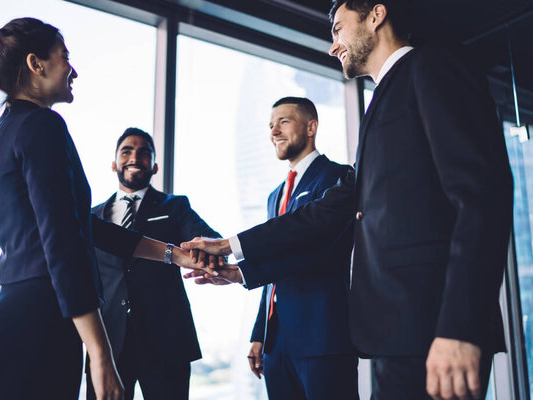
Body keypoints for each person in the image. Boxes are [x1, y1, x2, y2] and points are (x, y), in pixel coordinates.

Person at [182, 1, 513, 399]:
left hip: (436, 327)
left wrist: (460, 327)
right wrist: (230, 246)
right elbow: (321, 215)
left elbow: (482, 198)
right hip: (396, 333)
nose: (332, 46)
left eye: (338, 29)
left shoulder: (432, 68)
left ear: (376, 16)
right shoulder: (381, 103)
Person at [0, 17, 212, 400]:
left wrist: (174, 255)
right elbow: (63, 243)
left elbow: (88, 229)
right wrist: (101, 354)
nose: (73, 70)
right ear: (36, 65)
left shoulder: (8, 130)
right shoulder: (43, 126)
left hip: (12, 321)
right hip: (38, 328)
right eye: (64, 58)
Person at [86, 127, 220, 400]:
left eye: (144, 152)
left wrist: (211, 252)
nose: (135, 157)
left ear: (155, 165)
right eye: (127, 151)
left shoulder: (175, 207)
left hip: (166, 340)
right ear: (114, 164)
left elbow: (211, 241)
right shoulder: (92, 217)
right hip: (108, 339)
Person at [241, 97, 357, 400]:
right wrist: (259, 335)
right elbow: (272, 268)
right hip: (276, 344)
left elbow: (313, 249)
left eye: (283, 122)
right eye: (270, 125)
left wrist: (236, 270)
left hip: (322, 336)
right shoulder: (274, 196)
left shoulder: (337, 178)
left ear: (311, 127)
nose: (274, 132)